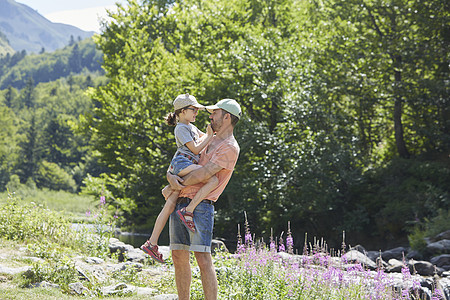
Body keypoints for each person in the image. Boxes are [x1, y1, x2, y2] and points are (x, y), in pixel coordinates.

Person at [166, 98, 241, 300]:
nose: (210, 116)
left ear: (226, 117)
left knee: (202, 258)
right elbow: (181, 157)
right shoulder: (206, 136)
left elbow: (204, 174)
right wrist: (170, 176)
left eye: (214, 113)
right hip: (179, 201)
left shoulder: (230, 147)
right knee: (178, 256)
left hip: (200, 206)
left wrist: (173, 183)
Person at [140, 93, 219, 263]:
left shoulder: (189, 126)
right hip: (183, 163)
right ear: (182, 111)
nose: (196, 113)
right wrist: (211, 136)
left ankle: (152, 243)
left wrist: (211, 134)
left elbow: (204, 138)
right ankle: (188, 210)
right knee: (212, 180)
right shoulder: (181, 128)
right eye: (194, 110)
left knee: (169, 205)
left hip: (182, 165)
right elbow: (197, 149)